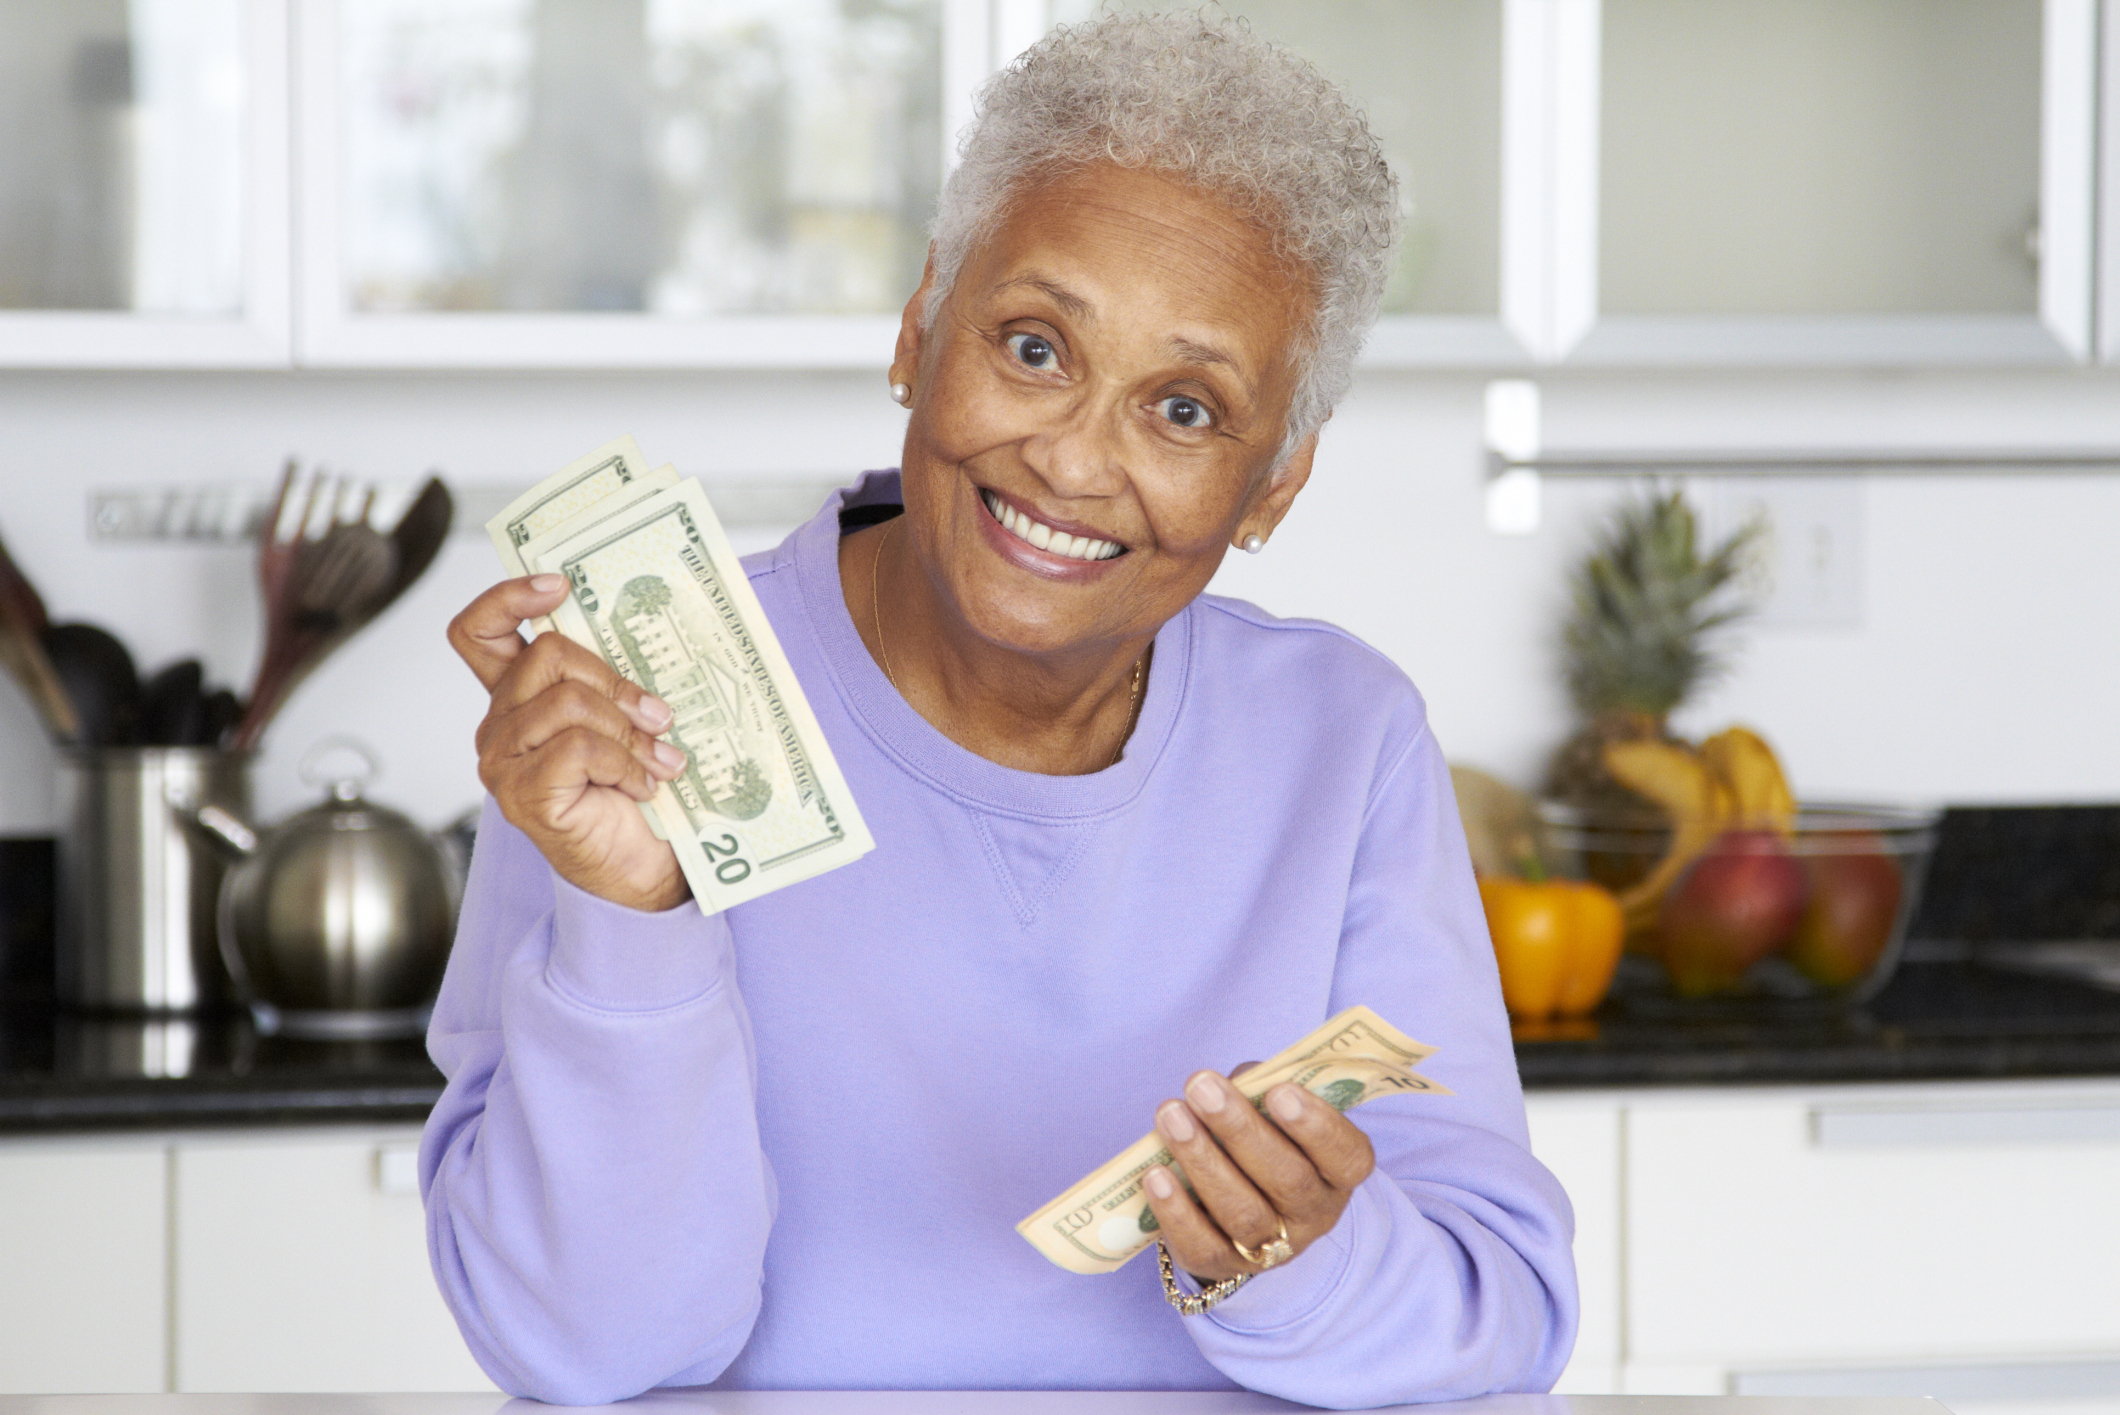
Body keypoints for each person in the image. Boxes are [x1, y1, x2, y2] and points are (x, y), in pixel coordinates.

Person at [424, 11, 1577, 1408]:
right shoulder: (627, 702)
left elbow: (1499, 1324)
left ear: (1274, 484)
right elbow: (585, 1355)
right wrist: (631, 921)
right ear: (919, 330)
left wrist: (1299, 1265)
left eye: (1185, 411)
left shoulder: (1341, 740)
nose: (1072, 460)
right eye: (1034, 347)